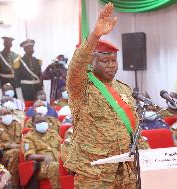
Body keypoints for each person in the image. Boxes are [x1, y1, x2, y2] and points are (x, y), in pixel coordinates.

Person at [64, 3, 148, 189]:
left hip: (125, 170)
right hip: (95, 172)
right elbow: (76, 65)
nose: (111, 65)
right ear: (91, 63)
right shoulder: (81, 86)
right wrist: (95, 36)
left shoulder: (124, 89)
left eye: (114, 61)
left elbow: (134, 128)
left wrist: (148, 157)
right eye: (105, 60)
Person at [22, 113, 61, 189]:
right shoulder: (28, 138)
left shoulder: (53, 133)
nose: (42, 123)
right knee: (55, 166)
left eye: (44, 121)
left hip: (59, 161)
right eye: (39, 122)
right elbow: (30, 156)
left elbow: (62, 146)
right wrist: (44, 157)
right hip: (42, 166)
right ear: (33, 124)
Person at [0, 107, 22, 188]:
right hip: (3, 153)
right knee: (15, 153)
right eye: (4, 114)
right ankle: (13, 184)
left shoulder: (17, 124)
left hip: (20, 150)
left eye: (9, 113)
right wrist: (8, 145)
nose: (7, 115)